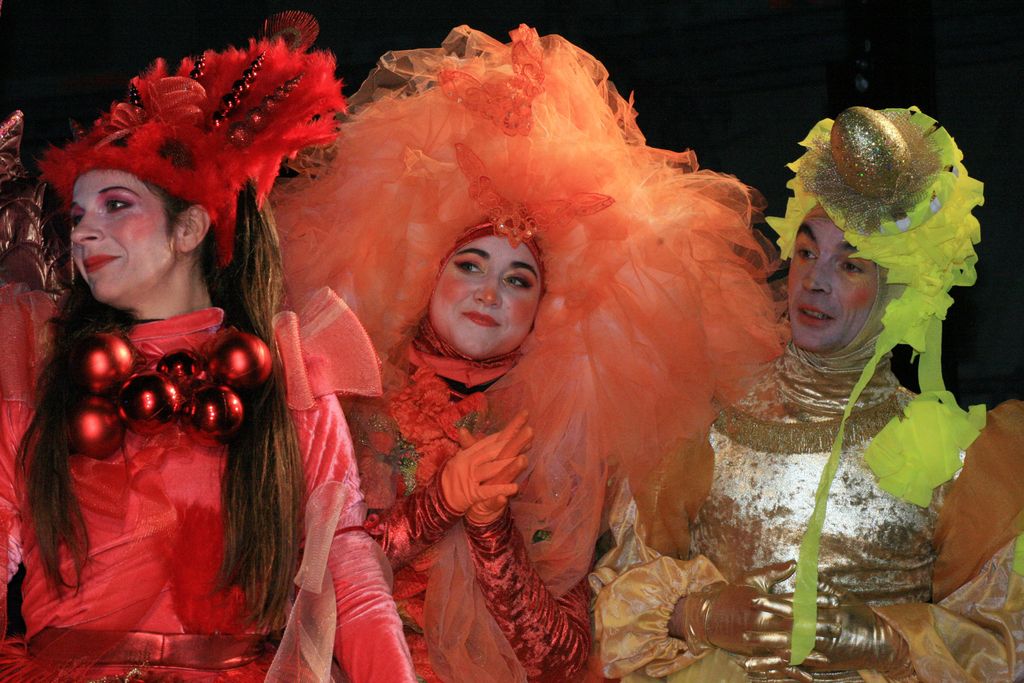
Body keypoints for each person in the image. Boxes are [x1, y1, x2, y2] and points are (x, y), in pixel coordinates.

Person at [271, 24, 783, 682]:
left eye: (519, 279)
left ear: (546, 306)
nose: (490, 292)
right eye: (471, 264)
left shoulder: (563, 435)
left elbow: (566, 656)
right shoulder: (348, 401)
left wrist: (489, 530)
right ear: (427, 272)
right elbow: (295, 588)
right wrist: (435, 506)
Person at [0, 14, 416, 681]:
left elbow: (352, 576)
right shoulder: (35, 360)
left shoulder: (289, 373)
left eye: (114, 205)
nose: (83, 233)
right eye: (77, 216)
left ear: (190, 225)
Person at [593, 106, 1024, 682]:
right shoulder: (705, 425)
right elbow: (617, 595)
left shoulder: (960, 455)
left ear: (899, 290)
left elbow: (1003, 639)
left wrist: (885, 640)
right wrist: (698, 613)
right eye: (805, 252)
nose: (814, 279)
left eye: (850, 264)